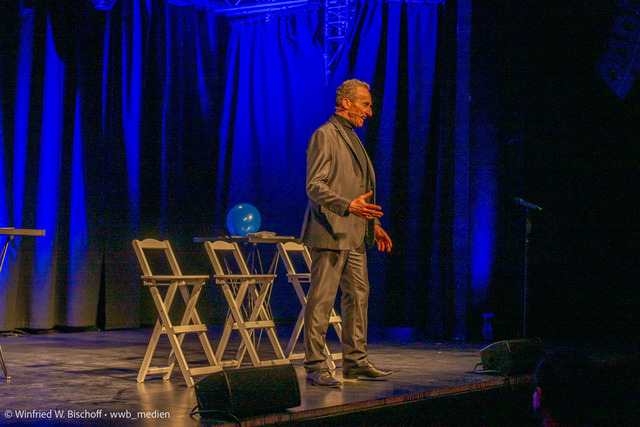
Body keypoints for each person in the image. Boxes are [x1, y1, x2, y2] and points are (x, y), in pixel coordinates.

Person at [300, 79, 394, 388]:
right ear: (346, 103)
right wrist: (348, 206)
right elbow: (315, 186)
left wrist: (372, 225)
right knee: (322, 300)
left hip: (354, 234)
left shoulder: (351, 136)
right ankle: (315, 366)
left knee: (358, 295)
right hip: (330, 231)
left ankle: (355, 361)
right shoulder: (325, 135)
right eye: (365, 104)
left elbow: (354, 187)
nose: (370, 111)